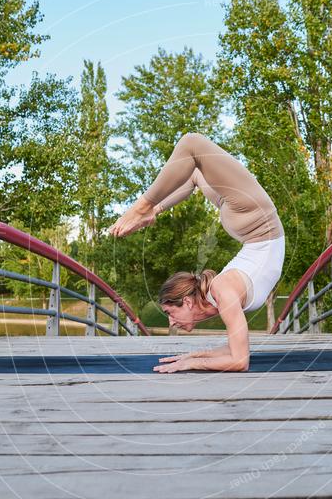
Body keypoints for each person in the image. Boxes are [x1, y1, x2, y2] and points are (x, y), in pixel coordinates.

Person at [108, 132, 285, 373]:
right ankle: (154, 209)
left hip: (255, 216)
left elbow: (240, 362)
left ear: (188, 301)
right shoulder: (221, 296)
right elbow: (234, 350)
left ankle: (144, 207)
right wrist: (191, 356)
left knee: (192, 145)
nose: (171, 321)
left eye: (171, 312)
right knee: (193, 172)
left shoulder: (222, 290)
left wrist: (192, 364)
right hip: (245, 221)